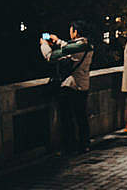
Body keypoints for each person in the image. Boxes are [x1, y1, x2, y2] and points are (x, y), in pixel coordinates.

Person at [40, 21, 94, 154]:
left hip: (72, 86)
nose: (70, 33)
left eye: (71, 30)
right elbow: (70, 47)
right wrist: (58, 41)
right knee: (81, 117)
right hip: (84, 85)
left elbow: (50, 57)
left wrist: (45, 45)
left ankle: (69, 146)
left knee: (67, 118)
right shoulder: (88, 45)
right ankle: (84, 144)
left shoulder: (77, 47)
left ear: (75, 32)